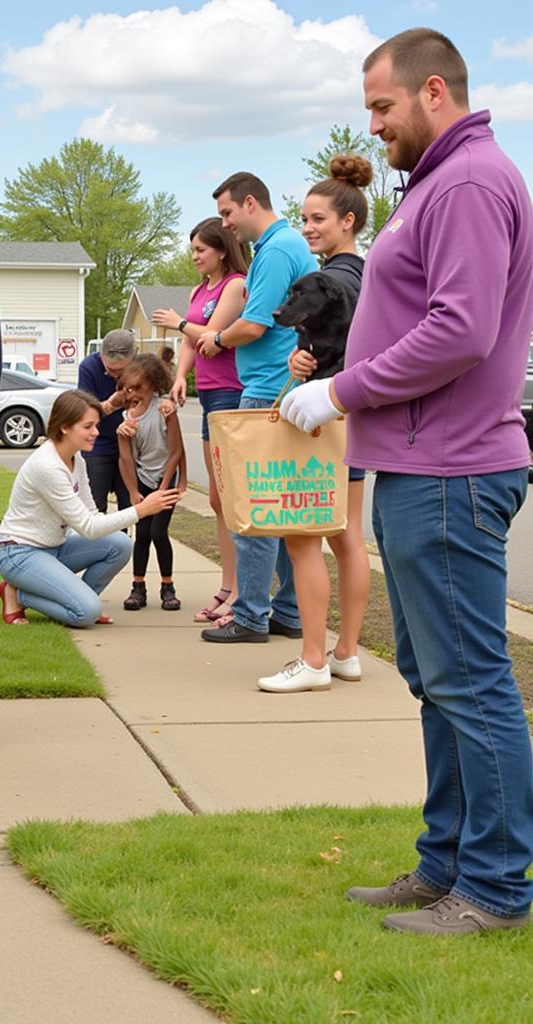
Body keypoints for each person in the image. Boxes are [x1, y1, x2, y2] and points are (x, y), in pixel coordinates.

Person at [281, 28, 533, 935]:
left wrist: (341, 388)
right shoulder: (443, 180)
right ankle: (447, 864)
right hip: (429, 463)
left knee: (471, 683)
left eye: (382, 108)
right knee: (439, 677)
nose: (374, 127)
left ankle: (498, 890)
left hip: (454, 468)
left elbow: (460, 329)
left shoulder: (465, 180)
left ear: (434, 91)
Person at [258, 155, 372, 694]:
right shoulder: (370, 273)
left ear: (347, 221)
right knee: (349, 537)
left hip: (322, 420)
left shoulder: (327, 282)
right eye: (304, 219)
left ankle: (311, 660)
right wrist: (305, 360)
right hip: (360, 418)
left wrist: (304, 367)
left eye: (318, 219)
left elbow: (329, 351)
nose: (307, 228)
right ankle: (346, 651)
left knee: (304, 539)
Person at [198, 172, 317, 644]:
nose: (226, 224)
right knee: (283, 508)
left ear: (250, 203)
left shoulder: (275, 249)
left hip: (268, 389)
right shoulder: (288, 245)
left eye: (228, 213)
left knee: (254, 509)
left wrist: (216, 337)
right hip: (281, 387)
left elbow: (254, 325)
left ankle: (250, 615)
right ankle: (287, 611)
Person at [0, 389, 180, 628]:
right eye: (88, 426)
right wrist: (142, 509)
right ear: (64, 427)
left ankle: (79, 601)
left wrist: (139, 509)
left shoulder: (75, 457)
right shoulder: (48, 466)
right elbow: (88, 528)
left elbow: (92, 514)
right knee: (86, 613)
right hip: (19, 553)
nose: (96, 432)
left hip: (55, 548)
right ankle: (17, 594)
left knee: (120, 544)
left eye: (96, 425)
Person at [154, 216, 248, 622]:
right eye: (191, 250)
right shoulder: (198, 289)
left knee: (233, 498)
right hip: (208, 394)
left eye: (201, 250)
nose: (194, 257)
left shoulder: (236, 285)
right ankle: (227, 586)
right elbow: (191, 342)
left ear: (222, 249)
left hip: (232, 391)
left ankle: (243, 592)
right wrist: (179, 377)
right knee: (216, 498)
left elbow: (210, 333)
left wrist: (178, 322)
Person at [116, 355, 186, 611]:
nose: (133, 393)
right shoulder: (126, 419)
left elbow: (176, 451)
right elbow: (125, 460)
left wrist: (164, 487)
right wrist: (134, 492)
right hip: (142, 480)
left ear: (154, 385)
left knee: (158, 532)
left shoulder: (165, 410)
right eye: (128, 388)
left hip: (164, 478)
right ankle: (138, 587)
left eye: (138, 387)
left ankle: (168, 587)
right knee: (142, 534)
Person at [76, 329, 138, 512]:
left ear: (134, 358)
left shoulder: (142, 368)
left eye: (122, 371)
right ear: (101, 357)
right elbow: (85, 415)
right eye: (111, 370)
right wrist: (111, 405)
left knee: (128, 506)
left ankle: (124, 541)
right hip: (98, 444)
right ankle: (98, 542)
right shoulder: (88, 367)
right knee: (95, 505)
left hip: (131, 445)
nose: (116, 376)